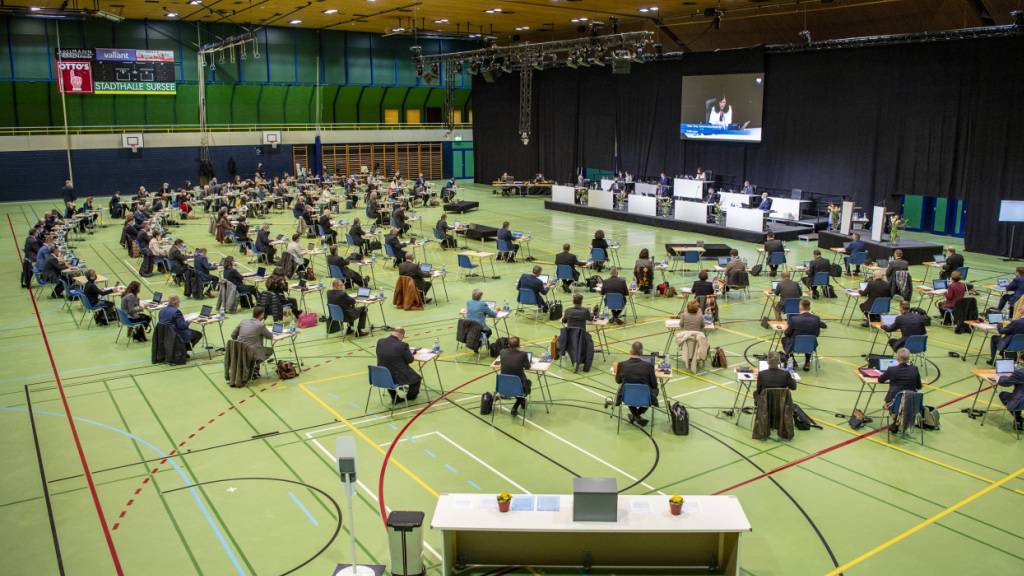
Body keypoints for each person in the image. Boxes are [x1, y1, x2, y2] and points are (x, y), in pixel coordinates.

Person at [614, 342, 658, 427]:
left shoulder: (621, 365)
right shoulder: (648, 366)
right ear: (641, 353)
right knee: (655, 391)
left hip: (626, 397)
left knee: (628, 390)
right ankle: (637, 415)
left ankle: (634, 415)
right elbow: (654, 385)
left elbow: (618, 381)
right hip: (644, 398)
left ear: (630, 351)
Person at [374, 327, 421, 403]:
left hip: (382, 376)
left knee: (389, 370)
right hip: (396, 375)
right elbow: (410, 360)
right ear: (402, 335)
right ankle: (410, 397)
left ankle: (394, 397)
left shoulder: (380, 342)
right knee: (417, 379)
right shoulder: (402, 345)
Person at [878, 347, 922, 427]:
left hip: (895, 401)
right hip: (911, 401)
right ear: (908, 358)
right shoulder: (914, 369)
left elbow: (880, 380)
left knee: (893, 400)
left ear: (897, 358)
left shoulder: (892, 369)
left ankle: (895, 419)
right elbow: (919, 386)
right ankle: (901, 420)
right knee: (903, 400)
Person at [782, 299, 827, 371]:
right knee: (808, 339)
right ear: (810, 307)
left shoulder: (794, 319)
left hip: (795, 345)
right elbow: (817, 334)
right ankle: (807, 362)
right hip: (811, 346)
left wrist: (786, 327)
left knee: (784, 339)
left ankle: (792, 360)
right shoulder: (816, 318)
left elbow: (787, 334)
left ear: (800, 307)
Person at [498, 336, 532, 417]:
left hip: (504, 386)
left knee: (518, 384)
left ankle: (522, 402)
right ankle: (516, 406)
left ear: (509, 344)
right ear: (518, 345)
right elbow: (527, 366)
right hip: (518, 386)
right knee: (528, 383)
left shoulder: (502, 352)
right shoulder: (523, 354)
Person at [996, 362, 1024, 430]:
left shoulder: (1020, 373)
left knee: (1003, 395)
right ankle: (1018, 419)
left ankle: (1018, 419)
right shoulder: (1019, 372)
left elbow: (1004, 383)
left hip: (1021, 402)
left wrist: (1002, 375)